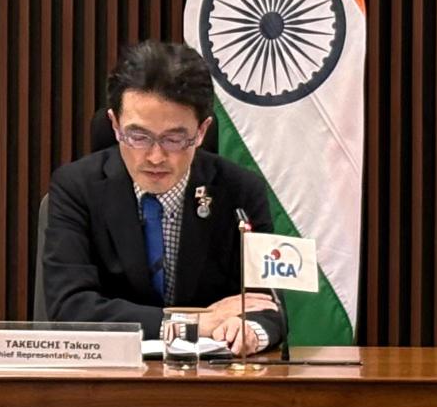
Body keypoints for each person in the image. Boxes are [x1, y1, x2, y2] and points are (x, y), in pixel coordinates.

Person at [42, 41, 285, 356]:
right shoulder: (77, 188)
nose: (155, 157)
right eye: (138, 136)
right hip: (108, 373)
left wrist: (249, 331)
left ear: (201, 131)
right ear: (115, 125)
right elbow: (70, 308)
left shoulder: (240, 191)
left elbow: (268, 305)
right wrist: (190, 323)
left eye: (174, 138)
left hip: (209, 376)